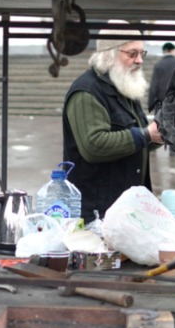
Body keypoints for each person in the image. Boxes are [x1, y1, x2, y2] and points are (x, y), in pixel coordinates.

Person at [62, 22, 163, 224]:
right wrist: (145, 135)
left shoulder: (123, 88)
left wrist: (160, 135)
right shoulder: (87, 91)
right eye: (132, 54)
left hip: (125, 210)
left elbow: (134, 142)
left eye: (142, 53)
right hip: (96, 214)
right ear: (109, 54)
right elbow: (94, 145)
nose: (140, 60)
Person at [147, 41, 175, 114]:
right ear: (172, 51)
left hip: (161, 104)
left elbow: (153, 86)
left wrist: (150, 104)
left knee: (160, 124)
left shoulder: (158, 65)